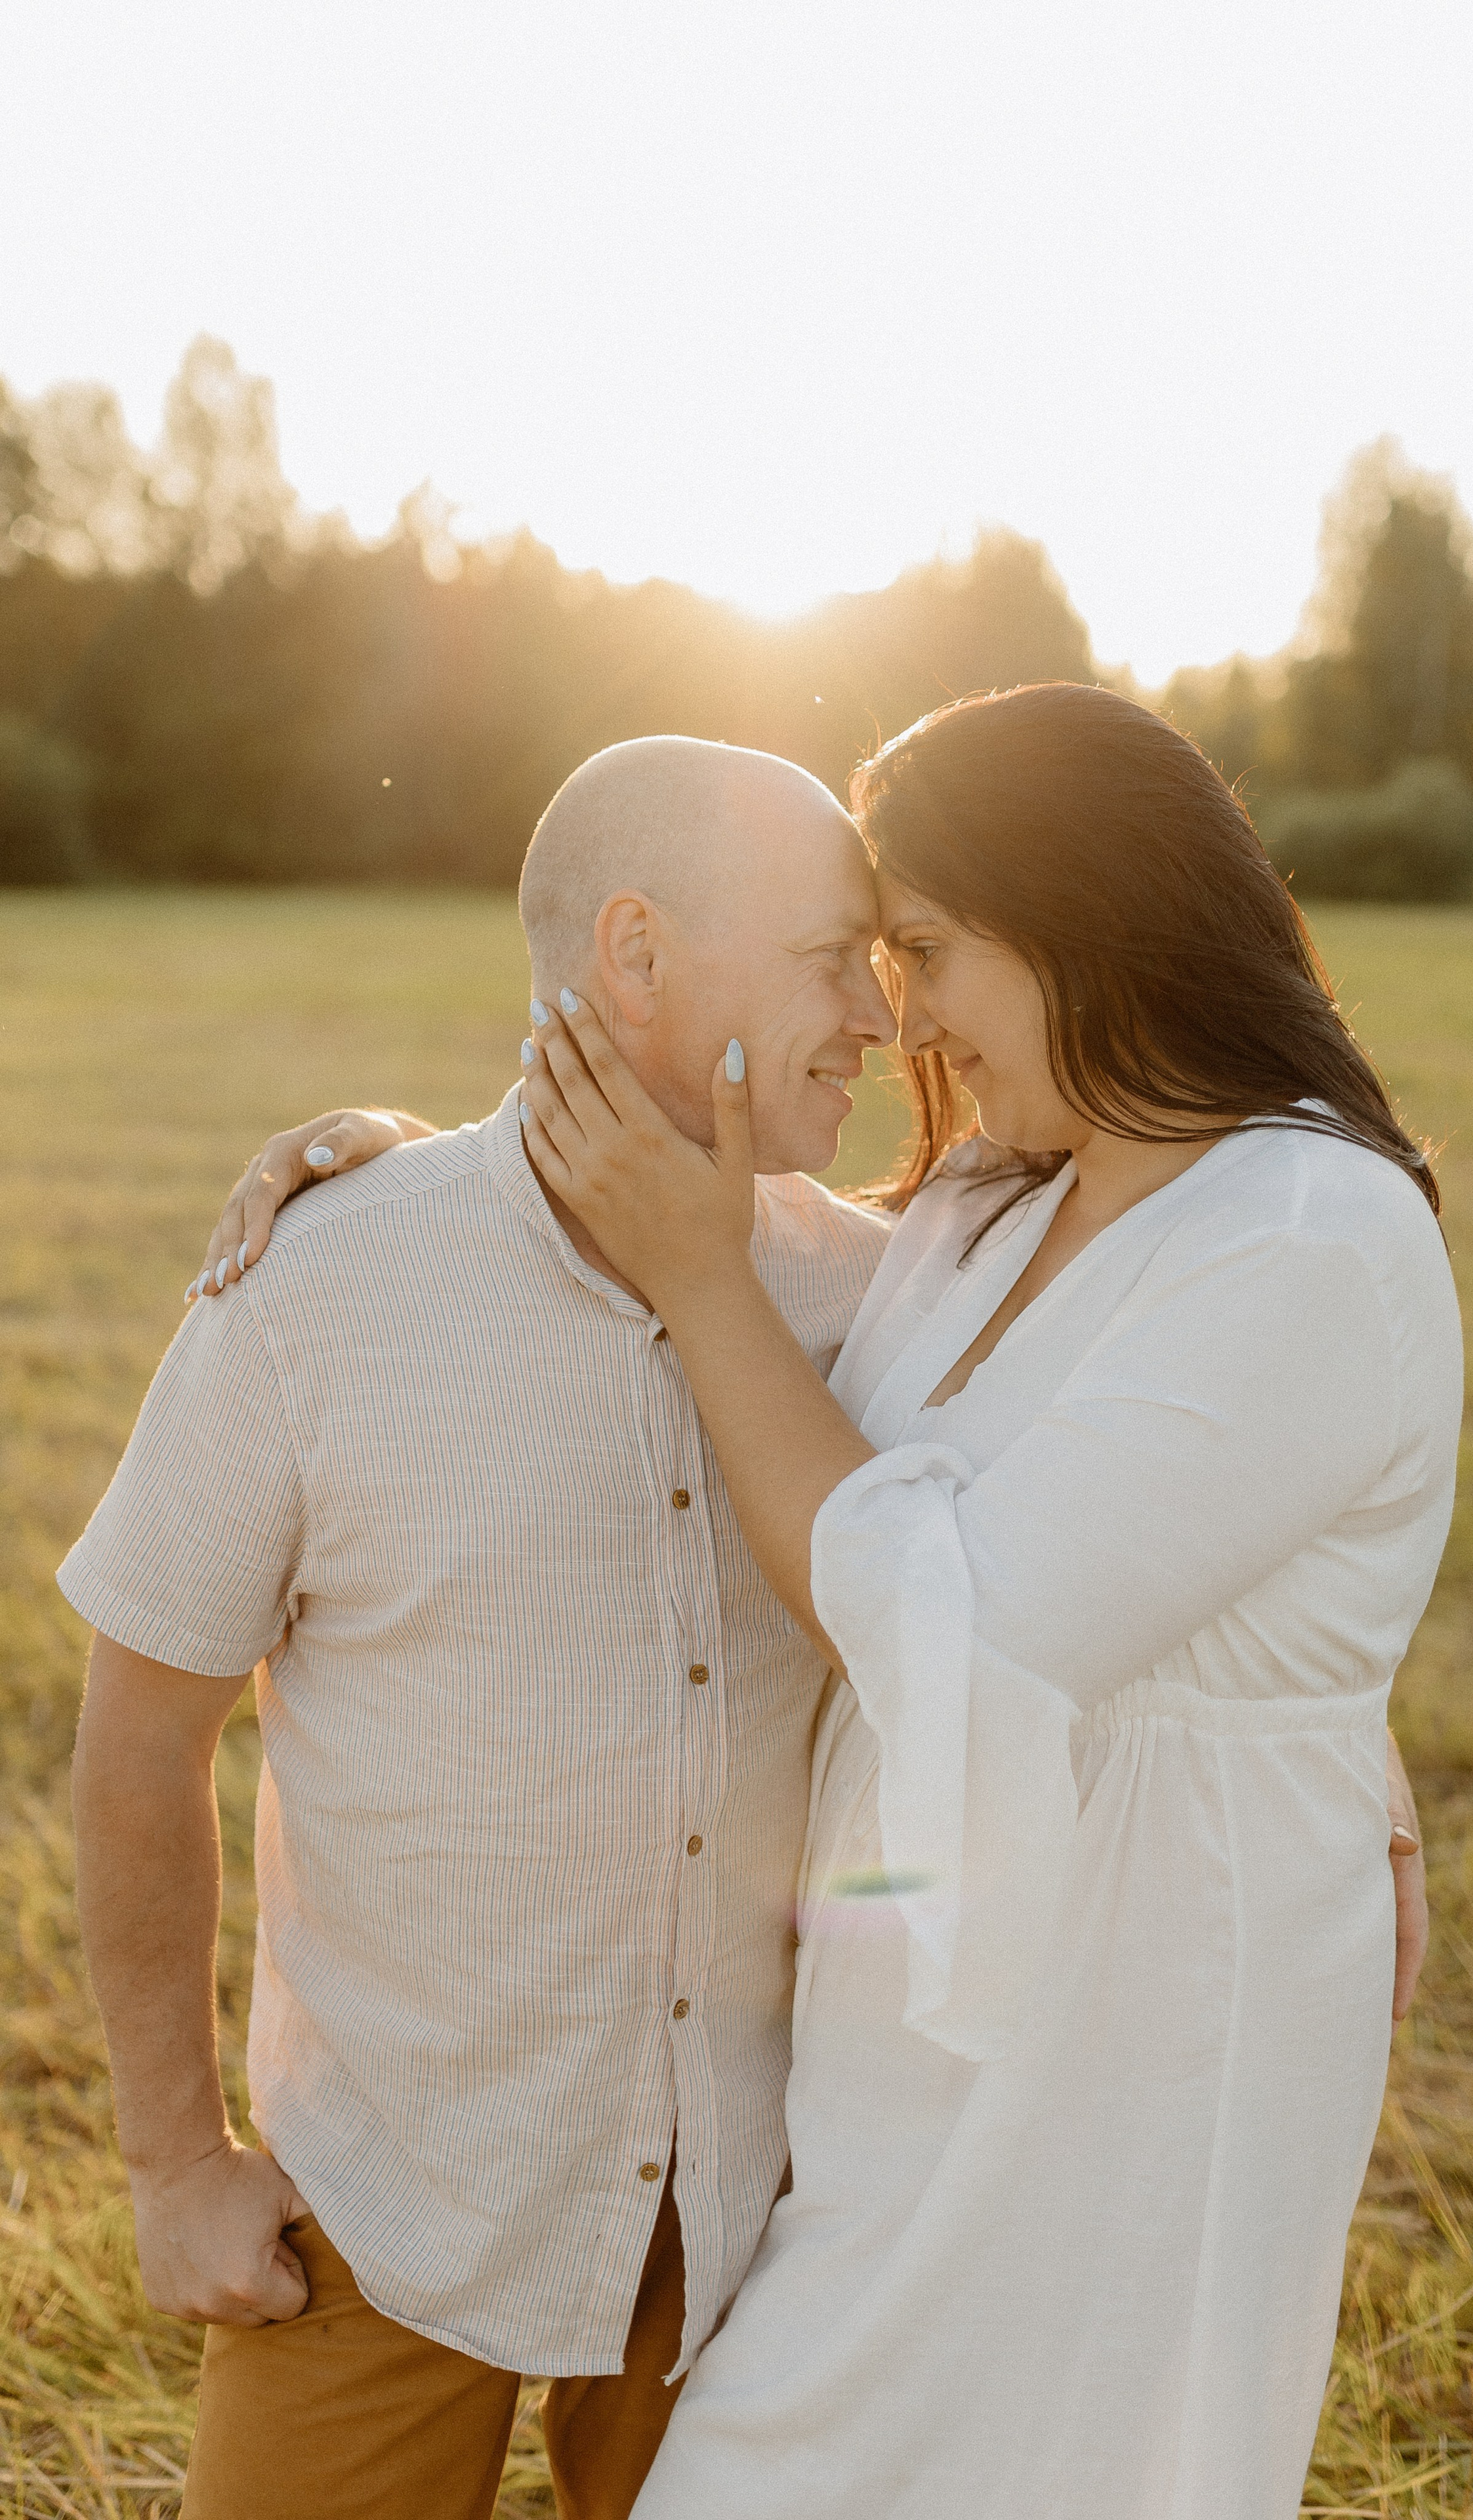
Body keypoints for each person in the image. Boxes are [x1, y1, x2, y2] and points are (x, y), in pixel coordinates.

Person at [173, 704, 1430, 2515]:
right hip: (887, 2067)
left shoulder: (1309, 1227)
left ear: (1085, 918)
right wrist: (429, 1173)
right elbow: (1067, 1474)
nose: (899, 1014)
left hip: (1134, 2022)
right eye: (868, 956)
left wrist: (697, 1278)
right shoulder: (994, 1211)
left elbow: (980, 1605)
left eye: (919, 951)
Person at [64, 738, 900, 2520]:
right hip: (379, 2207)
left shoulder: (884, 1300)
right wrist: (171, 2159)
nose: (877, 1016)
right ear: (638, 954)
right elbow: (141, 1734)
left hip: (752, 2231)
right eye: (836, 954)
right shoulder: (323, 1286)